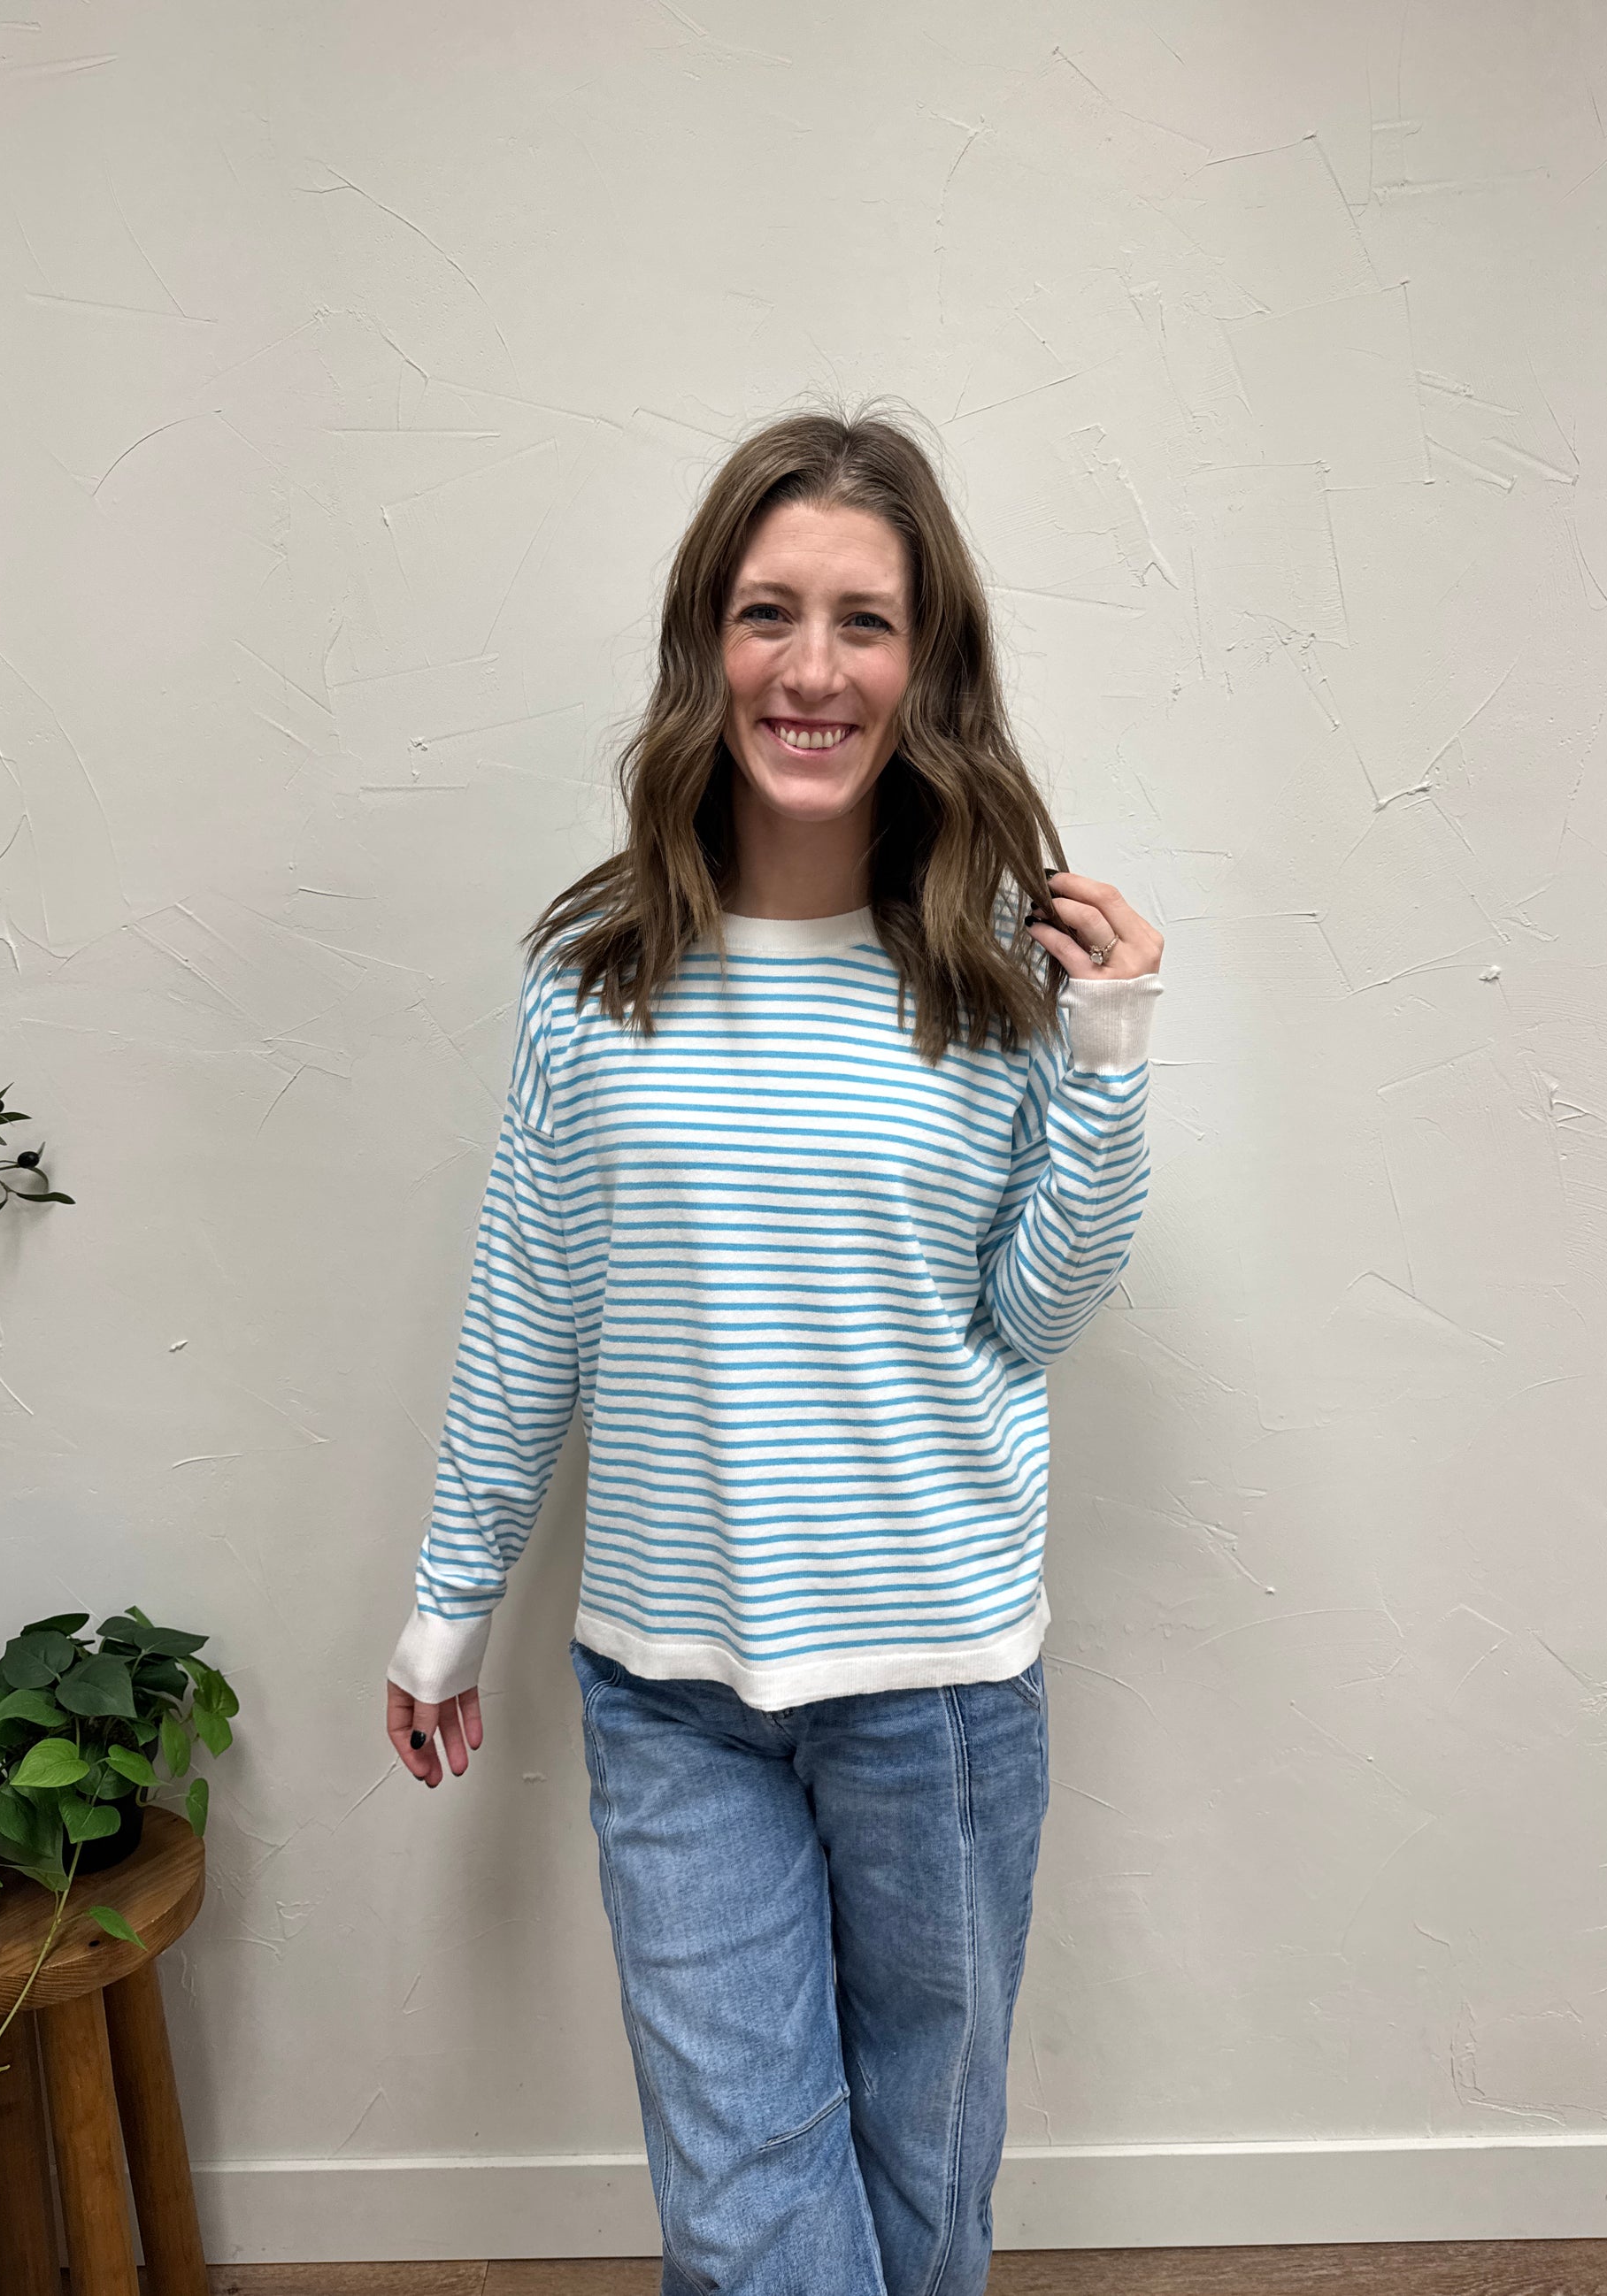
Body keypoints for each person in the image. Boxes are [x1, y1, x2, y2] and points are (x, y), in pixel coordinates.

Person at [383, 401, 1166, 2295]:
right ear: (705, 645)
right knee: (746, 2220)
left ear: (925, 666)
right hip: (669, 1691)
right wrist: (450, 1597)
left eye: (862, 621)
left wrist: (1110, 1051)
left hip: (939, 1688)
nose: (810, 670)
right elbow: (531, 1301)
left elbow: (1037, 1313)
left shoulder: (996, 976)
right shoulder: (594, 975)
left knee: (921, 2192)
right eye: (766, 613)